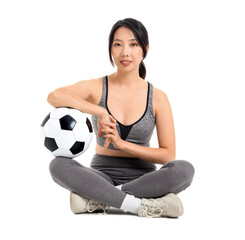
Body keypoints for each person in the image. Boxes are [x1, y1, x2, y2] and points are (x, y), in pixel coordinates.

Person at [47, 18, 195, 218]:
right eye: (118, 44)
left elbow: (167, 156)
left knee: (184, 170)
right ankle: (140, 205)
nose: (125, 52)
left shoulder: (158, 97)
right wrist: (100, 111)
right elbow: (54, 96)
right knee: (58, 165)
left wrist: (122, 144)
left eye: (133, 44)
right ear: (110, 49)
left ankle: (99, 199)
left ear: (145, 49)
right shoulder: (97, 87)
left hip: (146, 180)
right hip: (100, 177)